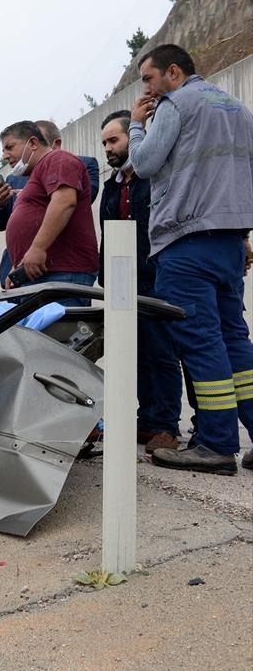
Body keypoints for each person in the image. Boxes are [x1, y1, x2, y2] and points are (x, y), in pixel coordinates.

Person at [128, 44, 253, 475]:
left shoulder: (175, 104)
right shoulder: (237, 107)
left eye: (148, 78)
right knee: (235, 339)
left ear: (174, 72)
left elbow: (143, 165)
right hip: (229, 241)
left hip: (186, 240)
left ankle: (216, 444)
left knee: (200, 342)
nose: (146, 87)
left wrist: (136, 124)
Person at [97, 109, 183, 453]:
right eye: (104, 142)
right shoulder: (111, 187)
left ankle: (165, 426)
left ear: (134, 137)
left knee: (161, 354)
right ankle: (146, 421)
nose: (108, 148)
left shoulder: (157, 177)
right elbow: (107, 233)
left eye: (113, 140)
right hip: (121, 283)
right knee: (134, 355)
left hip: (155, 277)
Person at [0, 120, 98, 305]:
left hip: (61, 275)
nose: (5, 156)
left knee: (57, 334)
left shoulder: (58, 159)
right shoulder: (35, 176)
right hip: (41, 277)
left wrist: (37, 248)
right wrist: (17, 265)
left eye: (9, 147)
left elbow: (65, 202)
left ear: (33, 143)